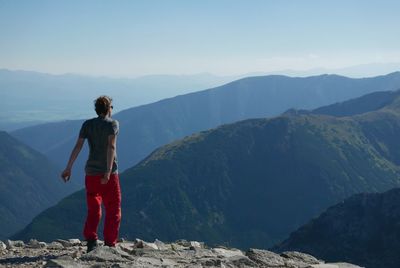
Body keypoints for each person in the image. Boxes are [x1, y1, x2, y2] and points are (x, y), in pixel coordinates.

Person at [61, 95, 121, 253]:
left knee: (94, 207)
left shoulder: (87, 125)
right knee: (113, 208)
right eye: (111, 107)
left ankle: (92, 240)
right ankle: (109, 244)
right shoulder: (113, 124)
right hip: (109, 174)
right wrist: (108, 171)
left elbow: (78, 146)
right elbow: (111, 147)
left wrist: (68, 167)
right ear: (108, 109)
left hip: (91, 173)